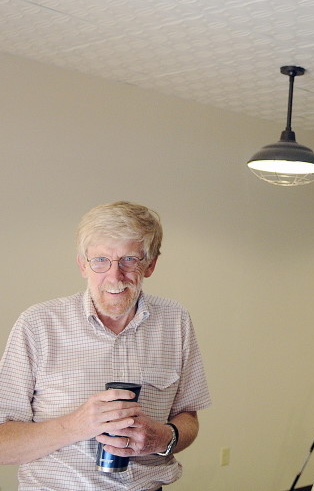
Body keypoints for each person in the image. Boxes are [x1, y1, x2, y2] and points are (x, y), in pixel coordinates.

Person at [0, 201, 212, 490]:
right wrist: (77, 425)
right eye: (100, 260)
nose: (114, 276)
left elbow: (188, 416)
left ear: (150, 265)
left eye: (129, 260)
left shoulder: (175, 321)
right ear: (82, 265)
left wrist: (163, 438)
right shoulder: (38, 325)